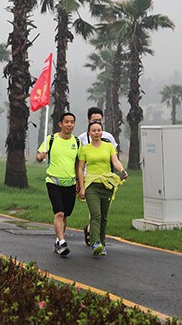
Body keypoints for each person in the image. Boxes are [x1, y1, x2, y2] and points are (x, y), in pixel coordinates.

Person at [77, 120, 128, 257]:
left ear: (102, 131)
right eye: (93, 130)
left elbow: (115, 161)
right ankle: (95, 243)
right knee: (96, 215)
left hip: (106, 184)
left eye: (99, 130)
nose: (96, 133)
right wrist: (81, 187)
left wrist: (122, 170)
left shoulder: (108, 146)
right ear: (89, 133)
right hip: (91, 185)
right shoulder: (85, 149)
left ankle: (102, 243)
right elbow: (81, 169)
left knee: (104, 217)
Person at [36, 112, 82, 257]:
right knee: (59, 213)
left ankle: (58, 241)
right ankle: (62, 242)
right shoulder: (51, 139)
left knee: (65, 215)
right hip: (53, 182)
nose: (69, 124)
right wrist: (41, 156)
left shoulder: (76, 142)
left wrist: (81, 184)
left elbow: (78, 165)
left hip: (70, 183)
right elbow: (38, 156)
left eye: (72, 122)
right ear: (60, 124)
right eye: (66, 122)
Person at [78, 106, 118, 247]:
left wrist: (119, 172)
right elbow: (79, 164)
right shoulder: (82, 139)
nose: (97, 123)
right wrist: (79, 183)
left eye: (100, 120)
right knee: (95, 212)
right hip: (88, 180)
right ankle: (95, 239)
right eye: (94, 120)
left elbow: (115, 158)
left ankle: (92, 232)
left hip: (105, 180)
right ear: (89, 121)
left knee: (101, 214)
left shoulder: (108, 138)